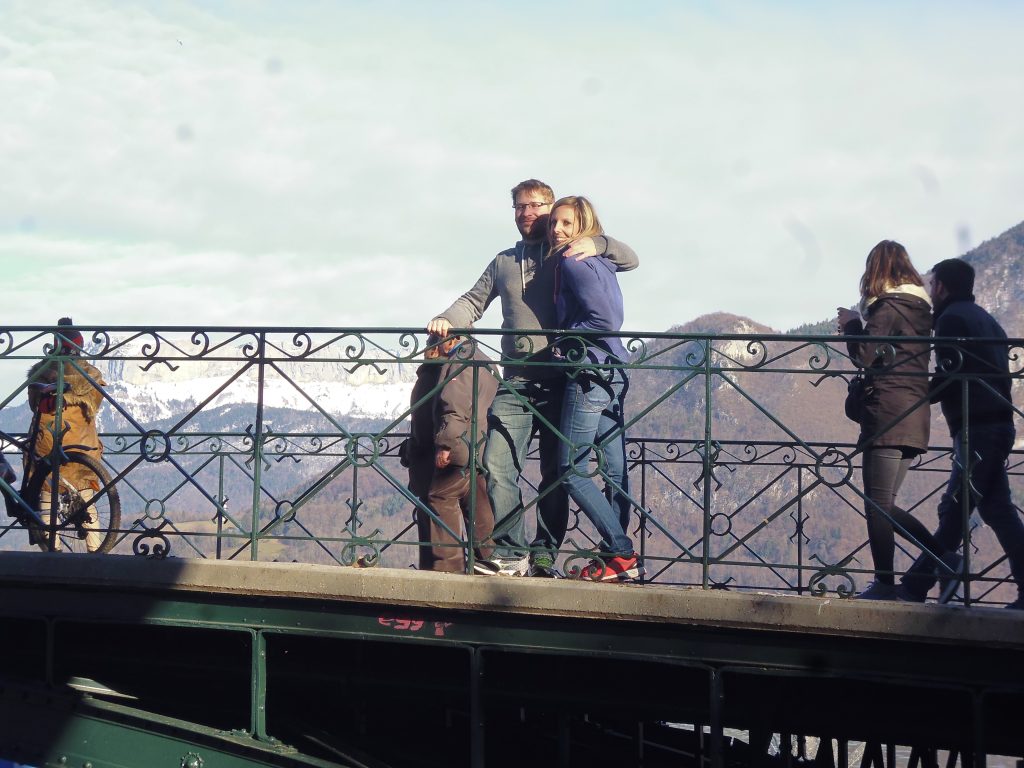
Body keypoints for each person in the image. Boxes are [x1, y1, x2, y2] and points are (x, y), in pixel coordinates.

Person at [427, 179, 638, 577]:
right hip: (518, 380)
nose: (529, 214)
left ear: (552, 209)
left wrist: (600, 244)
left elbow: (629, 259)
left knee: (556, 472)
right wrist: (445, 320)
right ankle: (511, 552)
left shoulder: (569, 249)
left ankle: (544, 552)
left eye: (538, 206)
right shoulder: (505, 261)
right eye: (521, 207)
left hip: (565, 380)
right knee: (498, 462)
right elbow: (473, 302)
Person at [899, 258, 1024, 609]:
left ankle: (914, 587)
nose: (929, 291)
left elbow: (953, 373)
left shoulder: (952, 320)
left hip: (978, 427)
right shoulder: (989, 321)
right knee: (997, 510)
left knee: (954, 508)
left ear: (941, 287)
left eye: (931, 284)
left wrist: (914, 397)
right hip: (998, 424)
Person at [837, 241, 955, 600]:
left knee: (877, 503)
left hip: (887, 413)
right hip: (915, 414)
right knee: (883, 502)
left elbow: (865, 356)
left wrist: (852, 325)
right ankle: (943, 561)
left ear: (877, 272)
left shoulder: (889, 307)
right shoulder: (922, 311)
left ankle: (893, 581)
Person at [550, 196, 642, 582]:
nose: (557, 230)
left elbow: (605, 319)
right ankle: (614, 562)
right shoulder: (601, 261)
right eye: (555, 222)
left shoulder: (574, 261)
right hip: (614, 370)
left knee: (571, 468)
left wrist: (563, 339)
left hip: (589, 370)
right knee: (615, 470)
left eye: (567, 223)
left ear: (583, 225)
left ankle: (621, 554)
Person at [400, 332, 500, 574]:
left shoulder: (459, 363)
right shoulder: (483, 361)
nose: (428, 348)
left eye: (432, 341)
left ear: (452, 340)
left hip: (455, 448)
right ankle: (490, 560)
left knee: (439, 498)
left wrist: (445, 444)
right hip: (474, 447)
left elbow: (453, 406)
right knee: (474, 497)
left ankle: (447, 571)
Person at [24, 317, 107, 552]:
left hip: (47, 442)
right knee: (86, 491)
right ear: (79, 345)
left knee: (47, 491)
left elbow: (33, 405)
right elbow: (95, 406)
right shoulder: (91, 373)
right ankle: (95, 548)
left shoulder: (41, 372)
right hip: (83, 446)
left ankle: (53, 548)